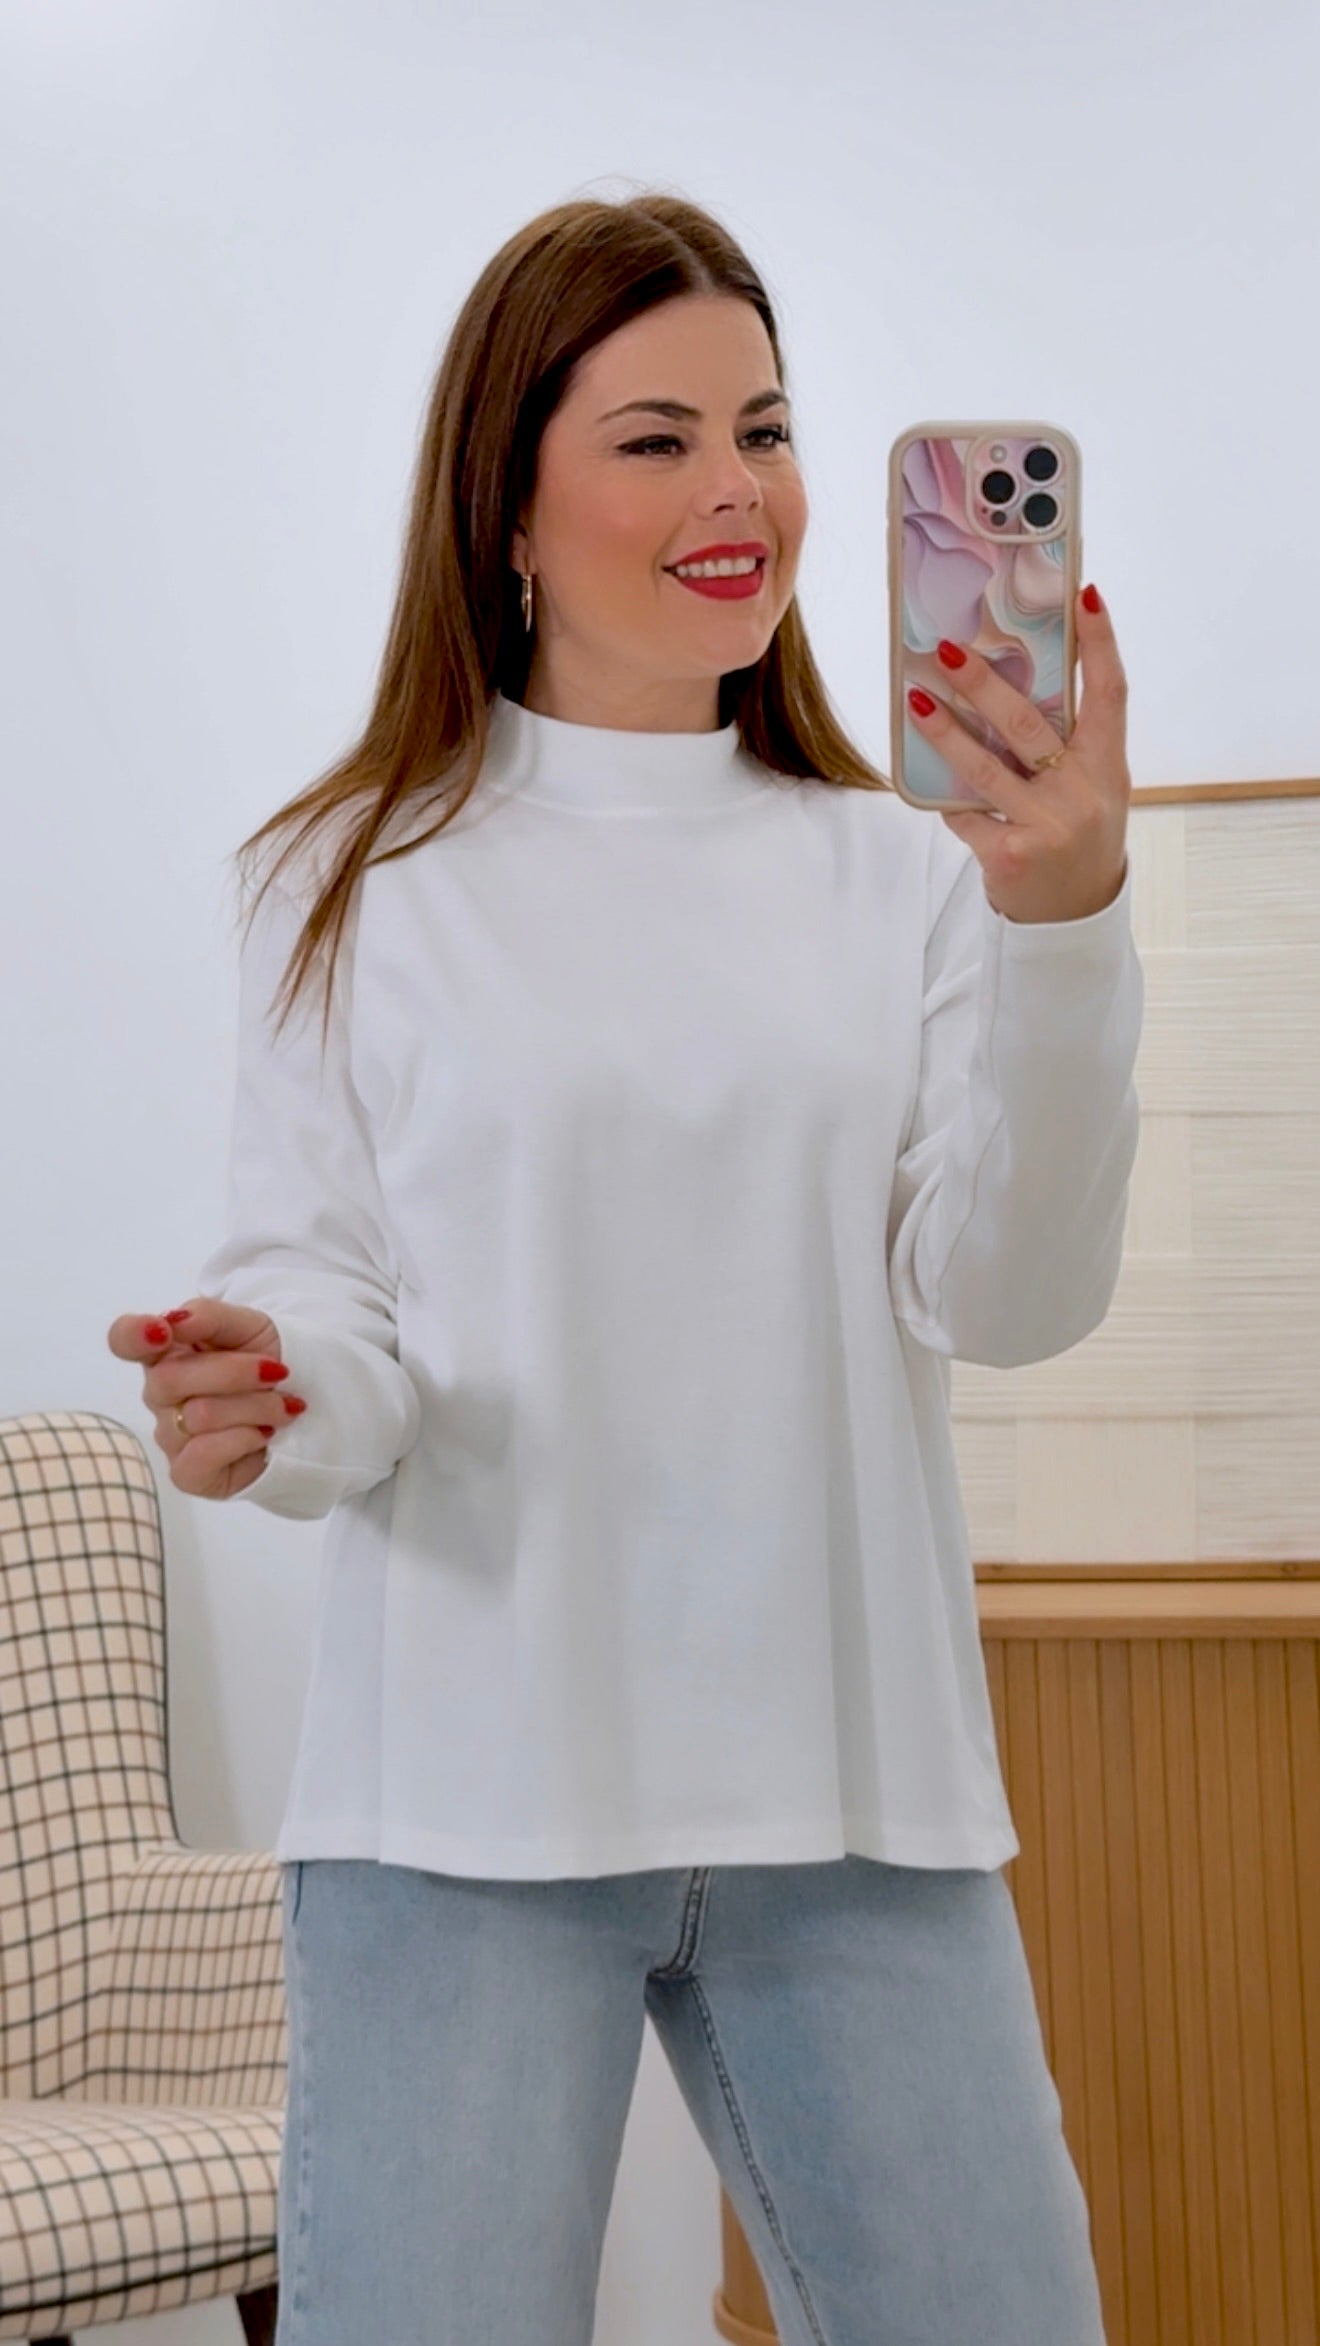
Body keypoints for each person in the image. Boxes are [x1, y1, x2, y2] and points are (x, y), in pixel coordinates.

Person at [107, 192, 1139, 2346]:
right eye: (656, 438)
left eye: (764, 428)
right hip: (463, 1799)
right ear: (507, 505)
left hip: (855, 1797)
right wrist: (268, 1386)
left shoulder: (910, 877)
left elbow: (1008, 1298)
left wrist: (1063, 923)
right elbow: (341, 1320)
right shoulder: (349, 874)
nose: (736, 490)